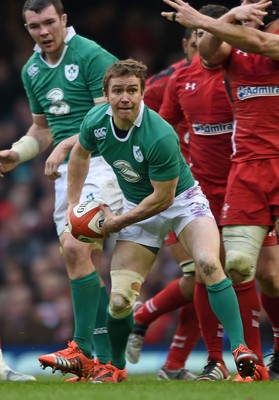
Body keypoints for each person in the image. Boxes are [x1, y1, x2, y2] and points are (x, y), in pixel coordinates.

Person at [66, 58, 258, 383]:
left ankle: (240, 350)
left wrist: (117, 222)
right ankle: (115, 366)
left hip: (182, 203)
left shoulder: (159, 134)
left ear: (142, 92)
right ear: (106, 94)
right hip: (136, 206)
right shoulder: (95, 121)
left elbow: (163, 199)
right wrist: (73, 206)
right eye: (117, 91)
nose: (124, 97)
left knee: (209, 264)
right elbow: (79, 155)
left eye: (131, 90)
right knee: (119, 299)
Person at [0, 0, 122, 381]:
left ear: (64, 20)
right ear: (27, 29)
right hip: (68, 173)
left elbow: (109, 116)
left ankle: (84, 349)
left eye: (50, 22)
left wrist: (67, 145)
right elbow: (41, 128)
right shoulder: (32, 69)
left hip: (105, 162)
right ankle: (107, 362)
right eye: (35, 26)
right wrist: (17, 153)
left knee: (75, 246)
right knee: (80, 260)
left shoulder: (91, 55)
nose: (44, 31)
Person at [161, 0, 279, 381]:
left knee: (271, 277)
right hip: (243, 174)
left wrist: (203, 19)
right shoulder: (215, 58)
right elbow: (210, 52)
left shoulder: (265, 41)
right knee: (233, 266)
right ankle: (244, 361)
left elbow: (265, 45)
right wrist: (218, 22)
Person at [125, 27, 200, 382]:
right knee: (201, 274)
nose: (204, 44)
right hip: (176, 192)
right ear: (185, 43)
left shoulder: (235, 76)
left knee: (211, 277)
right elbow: (125, 127)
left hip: (222, 188)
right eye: (196, 37)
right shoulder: (160, 84)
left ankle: (169, 359)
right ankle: (169, 353)